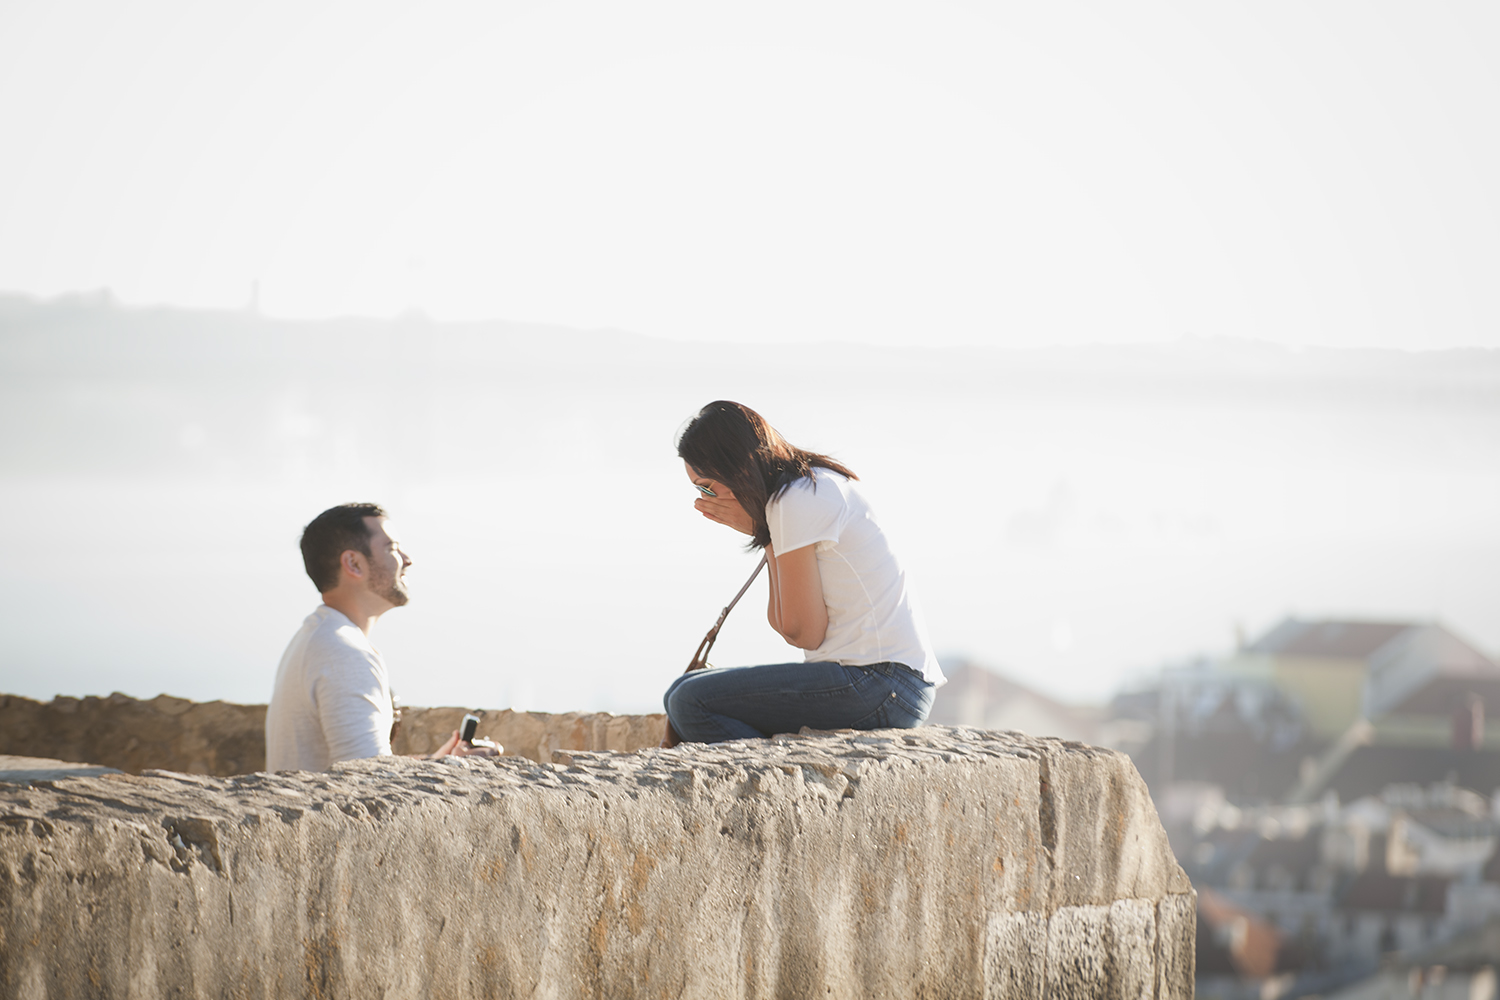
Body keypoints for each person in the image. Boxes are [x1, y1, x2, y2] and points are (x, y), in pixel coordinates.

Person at [664, 401, 945, 743]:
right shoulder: (798, 494)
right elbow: (785, 624)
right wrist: (765, 531)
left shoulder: (796, 500)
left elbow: (804, 633)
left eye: (705, 487)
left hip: (882, 684)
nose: (703, 499)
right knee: (683, 688)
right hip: (890, 682)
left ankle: (765, 780)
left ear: (735, 469)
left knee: (689, 701)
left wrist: (762, 529)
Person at [265, 503, 497, 771]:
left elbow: (364, 765)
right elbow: (370, 781)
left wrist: (440, 762)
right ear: (353, 563)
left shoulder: (316, 637)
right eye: (392, 548)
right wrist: (458, 770)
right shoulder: (345, 654)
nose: (407, 560)